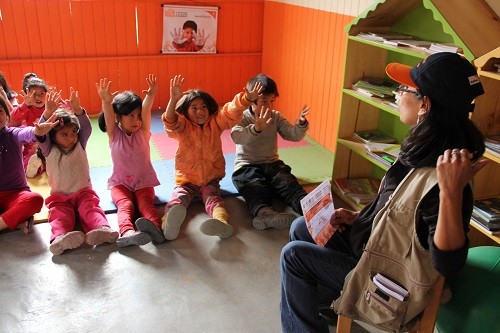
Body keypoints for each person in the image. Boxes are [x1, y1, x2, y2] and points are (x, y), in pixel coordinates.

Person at [280, 52, 488, 332]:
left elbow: (448, 263)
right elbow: (397, 204)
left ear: (425, 105)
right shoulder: (426, 145)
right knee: (301, 227)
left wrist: (451, 192)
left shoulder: (447, 171)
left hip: (388, 277)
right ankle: (333, 306)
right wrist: (358, 216)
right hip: (376, 249)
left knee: (294, 256)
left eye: (405, 90)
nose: (397, 95)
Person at [161, 74, 262, 240]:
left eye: (203, 107)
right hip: (186, 178)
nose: (200, 111)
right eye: (194, 108)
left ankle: (221, 223)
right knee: (178, 199)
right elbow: (170, 121)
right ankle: (168, 224)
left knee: (213, 199)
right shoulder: (183, 125)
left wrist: (245, 99)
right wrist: (173, 99)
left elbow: (231, 111)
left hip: (210, 177)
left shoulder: (216, 123)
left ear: (209, 109)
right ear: (186, 112)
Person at [38, 88, 119, 255]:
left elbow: (87, 128)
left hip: (83, 192)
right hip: (60, 197)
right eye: (64, 135)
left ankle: (101, 229)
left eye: (74, 132)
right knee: (59, 216)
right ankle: (60, 238)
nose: (71, 137)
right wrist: (47, 113)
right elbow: (41, 131)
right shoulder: (48, 148)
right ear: (53, 137)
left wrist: (78, 110)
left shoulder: (80, 143)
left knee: (91, 210)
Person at [231, 73, 310, 230]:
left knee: (287, 181)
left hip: (272, 162)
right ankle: (264, 212)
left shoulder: (275, 116)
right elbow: (236, 136)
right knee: (253, 185)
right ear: (251, 99)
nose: (269, 106)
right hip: (247, 164)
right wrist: (256, 128)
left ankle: (309, 208)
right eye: (264, 101)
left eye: (272, 101)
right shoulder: (242, 117)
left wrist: (300, 124)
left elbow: (292, 135)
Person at [96, 75, 165, 247]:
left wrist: (151, 95)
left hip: (144, 181)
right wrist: (106, 100)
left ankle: (156, 229)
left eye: (138, 115)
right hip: (120, 183)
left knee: (146, 205)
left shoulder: (143, 131)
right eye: (130, 116)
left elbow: (147, 110)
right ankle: (127, 232)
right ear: (118, 117)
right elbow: (109, 115)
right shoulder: (114, 134)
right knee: (125, 205)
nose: (136, 120)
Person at [0, 96, 58, 234]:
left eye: (0, 111)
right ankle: (14, 221)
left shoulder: (11, 134)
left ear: (7, 116)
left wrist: (36, 132)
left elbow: (26, 133)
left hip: (15, 194)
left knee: (34, 200)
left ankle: (8, 221)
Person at [10, 77, 48, 178]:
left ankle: (47, 164)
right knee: (29, 156)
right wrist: (25, 105)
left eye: (41, 94)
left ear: (47, 94)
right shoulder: (28, 109)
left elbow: (65, 111)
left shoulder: (51, 105)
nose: (38, 97)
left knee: (54, 154)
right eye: (34, 94)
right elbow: (12, 118)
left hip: (50, 140)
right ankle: (37, 166)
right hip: (33, 141)